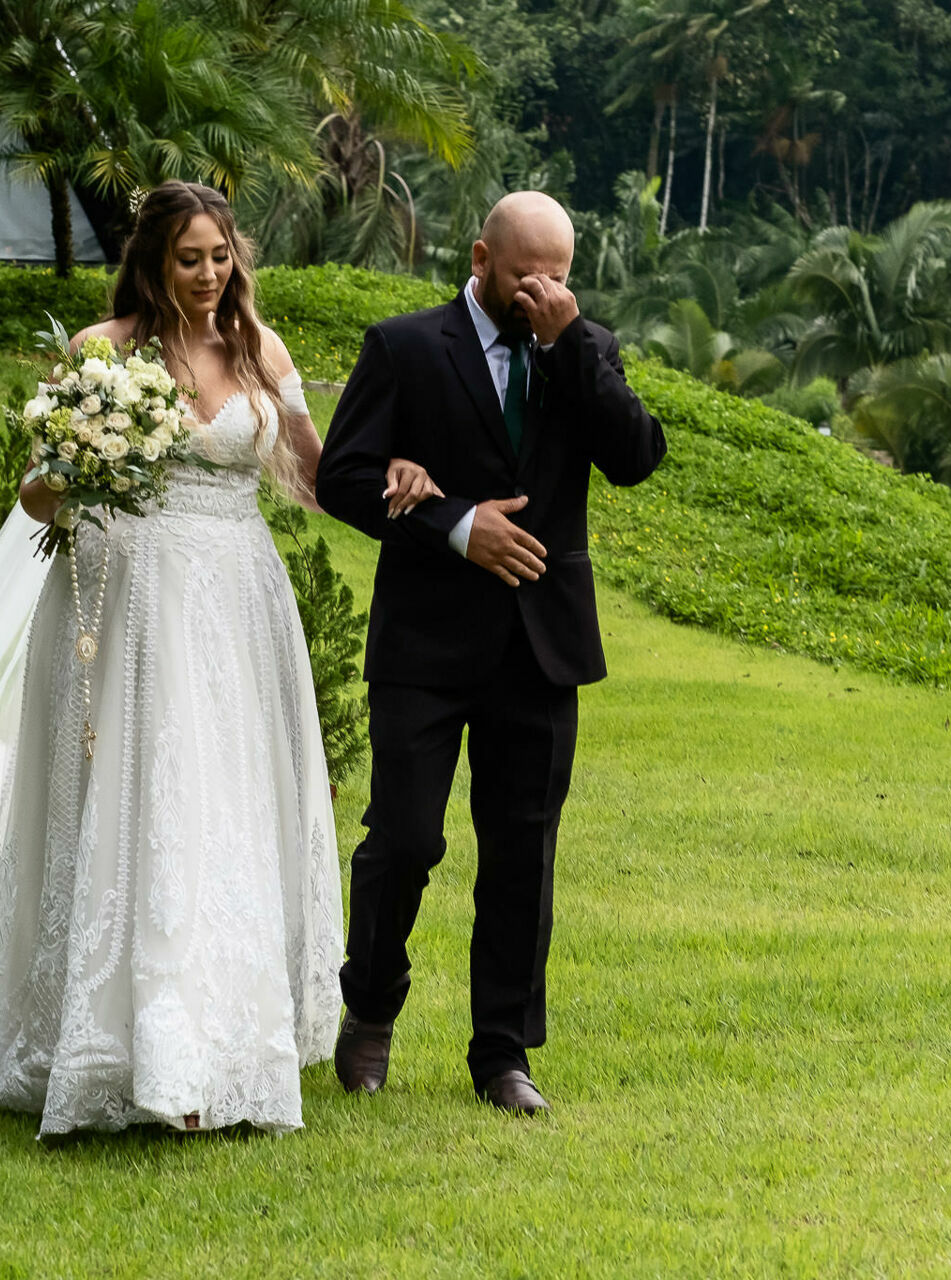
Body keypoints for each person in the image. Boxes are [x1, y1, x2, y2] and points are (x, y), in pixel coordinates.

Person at [0, 180, 444, 1136]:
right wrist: (83, 461)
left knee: (221, 806)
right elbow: (36, 495)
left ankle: (216, 1041)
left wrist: (399, 470)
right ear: (154, 262)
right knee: (143, 799)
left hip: (235, 604)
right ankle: (119, 1041)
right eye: (189, 259)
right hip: (126, 599)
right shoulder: (101, 352)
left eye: (220, 256)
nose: (208, 275)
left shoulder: (260, 350)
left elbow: (321, 479)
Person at [315, 191, 666, 1115]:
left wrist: (571, 342)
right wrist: (454, 523)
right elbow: (342, 478)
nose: (541, 292)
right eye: (524, 276)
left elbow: (636, 457)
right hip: (424, 643)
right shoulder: (404, 346)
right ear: (480, 260)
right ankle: (370, 1009)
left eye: (559, 277)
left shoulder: (583, 348)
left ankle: (503, 1054)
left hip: (541, 647)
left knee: (522, 855)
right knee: (405, 839)